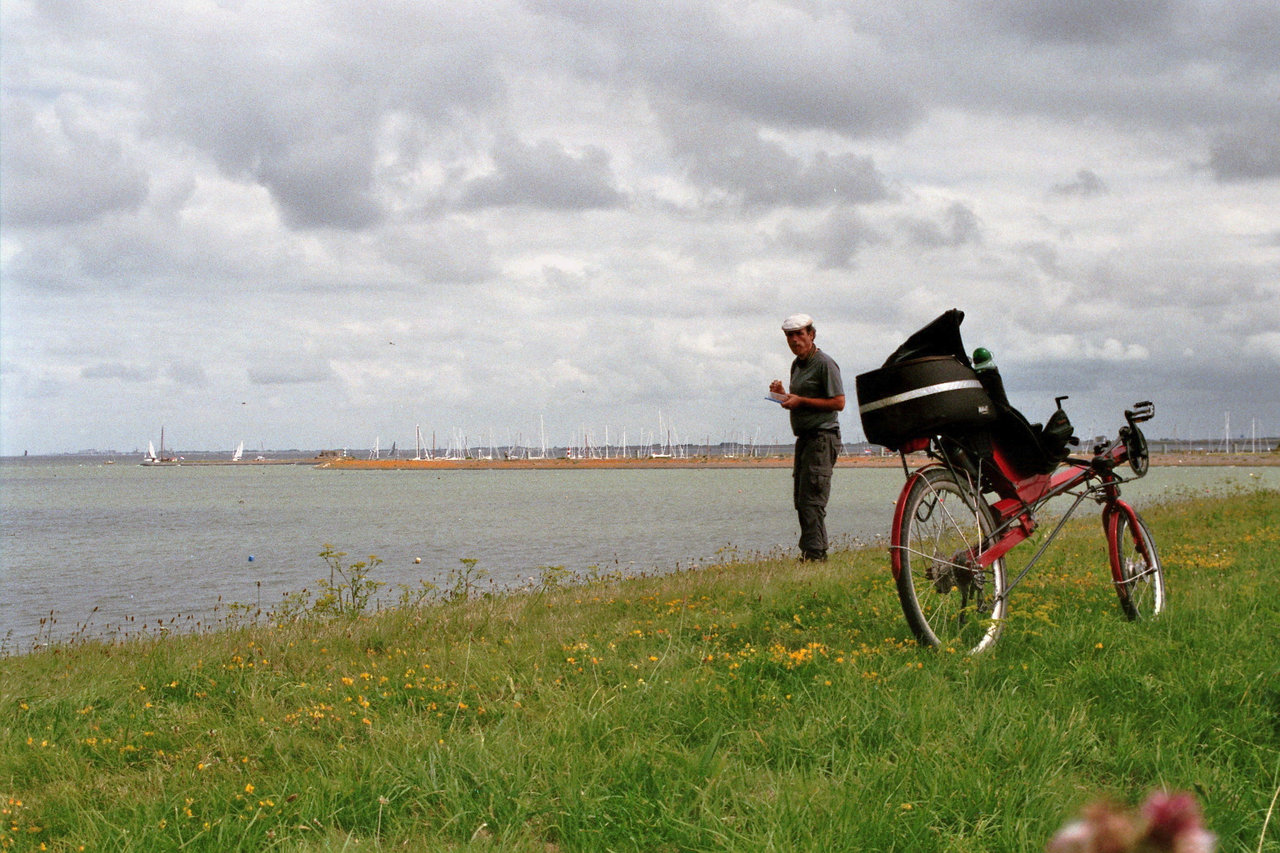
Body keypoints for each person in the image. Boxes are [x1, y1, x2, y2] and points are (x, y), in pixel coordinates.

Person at [769, 313, 845, 561]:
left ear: (811, 335)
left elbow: (839, 402)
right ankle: (812, 552)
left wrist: (800, 400)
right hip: (805, 438)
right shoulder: (797, 365)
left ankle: (815, 555)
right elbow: (798, 402)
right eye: (789, 336)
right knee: (801, 500)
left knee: (813, 499)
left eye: (799, 334)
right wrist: (783, 396)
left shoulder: (824, 363)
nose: (794, 340)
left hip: (823, 437)